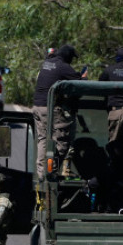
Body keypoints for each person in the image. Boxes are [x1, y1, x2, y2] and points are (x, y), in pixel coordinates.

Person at [33, 44, 83, 181]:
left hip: (38, 106)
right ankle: (51, 171)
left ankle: (42, 173)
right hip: (50, 108)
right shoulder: (63, 66)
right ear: (68, 57)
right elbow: (79, 83)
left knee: (43, 139)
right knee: (62, 139)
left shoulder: (47, 63)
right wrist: (83, 76)